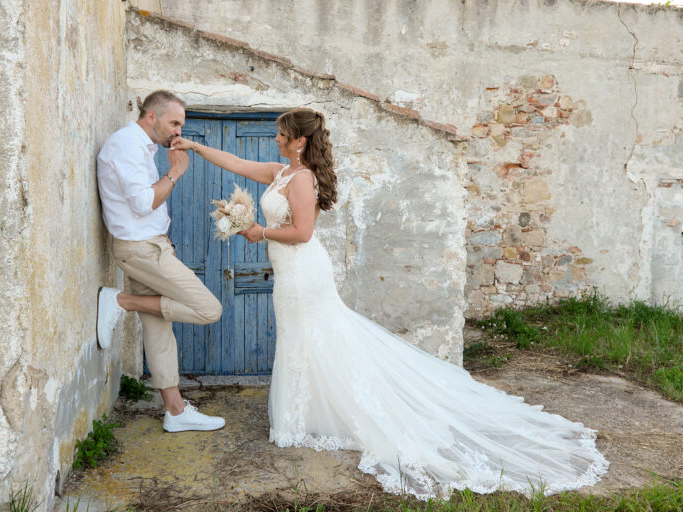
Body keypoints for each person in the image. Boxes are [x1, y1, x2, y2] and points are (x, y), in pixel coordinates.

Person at [170, 108, 609, 499]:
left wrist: (258, 232)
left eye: (283, 133)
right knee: (301, 341)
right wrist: (195, 145)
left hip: (304, 273)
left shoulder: (301, 179)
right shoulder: (281, 173)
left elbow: (303, 233)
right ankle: (309, 414)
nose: (277, 138)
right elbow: (236, 161)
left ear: (299, 141)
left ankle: (325, 415)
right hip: (289, 275)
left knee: (316, 338)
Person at [96, 90, 226, 433]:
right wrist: (176, 172)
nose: (178, 131)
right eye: (174, 122)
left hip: (150, 246)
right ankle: (121, 300)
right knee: (208, 309)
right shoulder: (126, 145)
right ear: (151, 116)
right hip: (141, 250)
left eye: (180, 124)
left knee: (158, 331)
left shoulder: (142, 147)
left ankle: (176, 411)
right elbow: (142, 204)